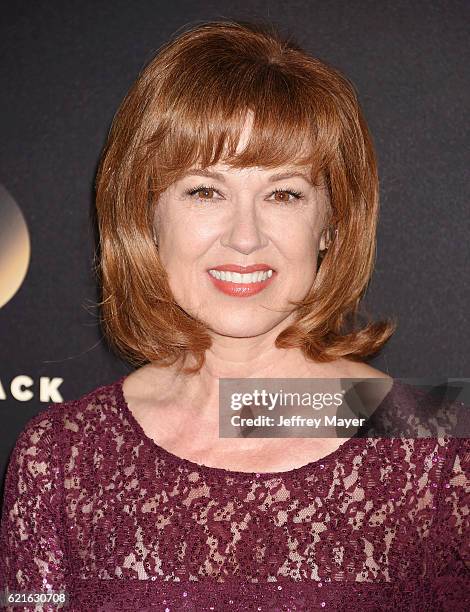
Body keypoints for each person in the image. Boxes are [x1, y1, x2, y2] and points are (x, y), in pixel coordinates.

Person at [1, 19, 468, 612]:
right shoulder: (57, 461)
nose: (245, 238)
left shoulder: (433, 455)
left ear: (331, 223)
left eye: (284, 194)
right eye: (204, 191)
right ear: (145, 212)